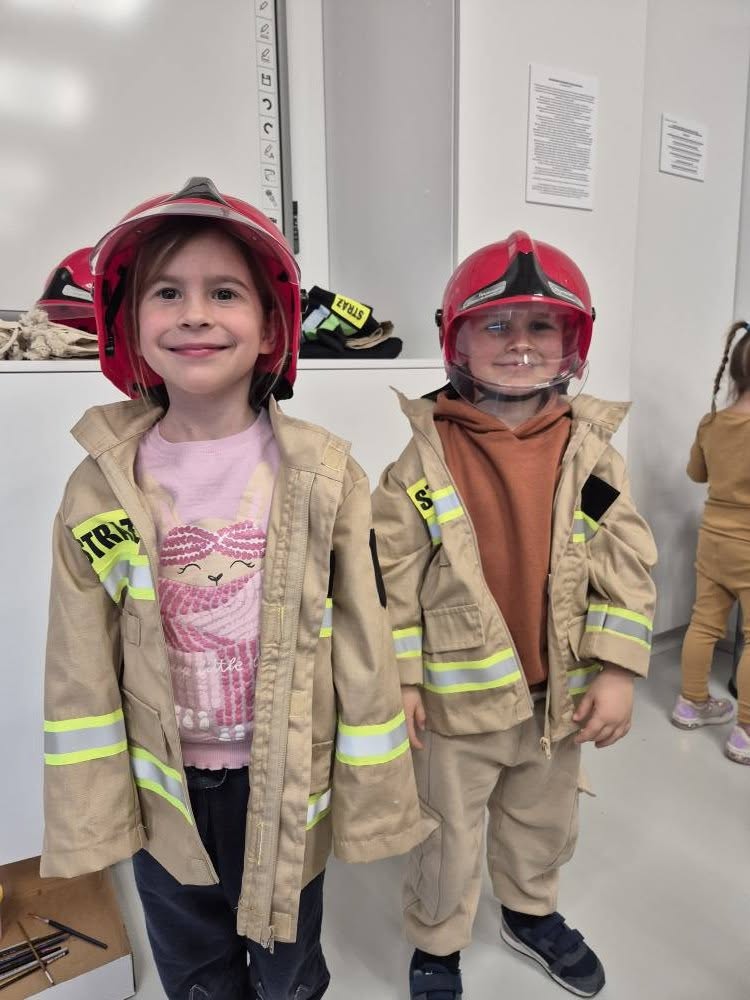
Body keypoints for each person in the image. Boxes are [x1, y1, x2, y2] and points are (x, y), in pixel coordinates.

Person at [41, 177, 422, 1000]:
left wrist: (374, 791)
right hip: (164, 789)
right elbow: (78, 662)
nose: (195, 314)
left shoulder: (324, 474)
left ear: (271, 327)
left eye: (224, 292)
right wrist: (92, 810)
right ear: (129, 326)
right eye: (167, 293)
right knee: (195, 971)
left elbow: (365, 631)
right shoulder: (98, 486)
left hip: (284, 779)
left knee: (288, 963)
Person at [372, 231, 657, 999]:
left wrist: (619, 670)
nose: (520, 343)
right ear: (456, 338)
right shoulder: (422, 462)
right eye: (496, 325)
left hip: (555, 701)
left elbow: (624, 560)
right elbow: (392, 577)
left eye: (540, 326)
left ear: (573, 341)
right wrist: (403, 680)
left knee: (543, 821)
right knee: (445, 835)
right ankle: (437, 944)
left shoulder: (593, 456)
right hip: (454, 709)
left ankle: (530, 912)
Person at [671, 320, 750, 764]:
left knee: (703, 623)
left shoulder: (712, 422)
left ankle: (691, 702)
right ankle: (746, 731)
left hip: (713, 540)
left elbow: (696, 474)